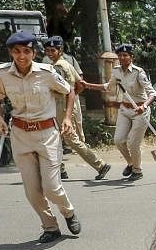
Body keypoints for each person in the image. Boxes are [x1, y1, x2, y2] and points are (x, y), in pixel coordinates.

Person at [0, 30, 81, 243]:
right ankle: (50, 226)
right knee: (32, 190)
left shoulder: (47, 72)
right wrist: (0, 120)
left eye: (27, 51)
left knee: (51, 187)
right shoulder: (1, 73)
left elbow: (69, 91)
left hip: (47, 134)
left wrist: (67, 118)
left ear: (34, 53)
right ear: (11, 52)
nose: (22, 56)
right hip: (20, 135)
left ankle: (68, 212)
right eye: (17, 51)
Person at [82, 43, 156, 180]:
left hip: (140, 111)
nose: (122, 58)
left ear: (131, 57)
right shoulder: (116, 71)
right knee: (118, 140)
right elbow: (108, 87)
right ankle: (131, 163)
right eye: (120, 55)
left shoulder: (138, 72)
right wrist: (88, 85)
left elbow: (152, 94)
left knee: (133, 143)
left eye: (125, 55)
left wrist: (144, 106)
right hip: (124, 109)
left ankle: (137, 170)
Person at [43, 36, 110, 181]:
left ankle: (100, 165)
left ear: (60, 50)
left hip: (61, 106)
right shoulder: (67, 64)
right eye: (47, 50)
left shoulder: (58, 67)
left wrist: (65, 96)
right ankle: (60, 170)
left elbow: (66, 88)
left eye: (52, 50)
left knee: (70, 139)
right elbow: (80, 84)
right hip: (65, 105)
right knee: (54, 138)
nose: (49, 53)